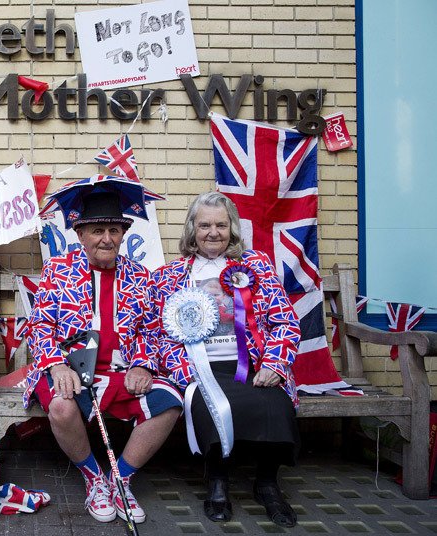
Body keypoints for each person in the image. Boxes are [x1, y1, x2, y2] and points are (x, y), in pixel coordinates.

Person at [24, 190, 183, 524]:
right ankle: (95, 478)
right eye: (97, 231)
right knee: (60, 406)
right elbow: (39, 325)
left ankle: (120, 479)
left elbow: (151, 330)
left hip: (120, 371)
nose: (107, 239)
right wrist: (55, 364)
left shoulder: (141, 276)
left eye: (114, 230)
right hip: (71, 369)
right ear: (80, 234)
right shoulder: (59, 270)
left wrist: (142, 363)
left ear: (124, 233)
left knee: (169, 402)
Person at [150, 191, 301, 527]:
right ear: (192, 229)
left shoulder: (255, 265)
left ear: (232, 229)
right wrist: (186, 372)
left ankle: (267, 484)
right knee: (207, 402)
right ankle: (217, 481)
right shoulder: (168, 275)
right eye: (204, 225)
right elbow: (157, 333)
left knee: (276, 404)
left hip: (253, 363)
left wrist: (275, 364)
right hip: (199, 366)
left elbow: (285, 321)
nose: (213, 232)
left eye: (221, 224)